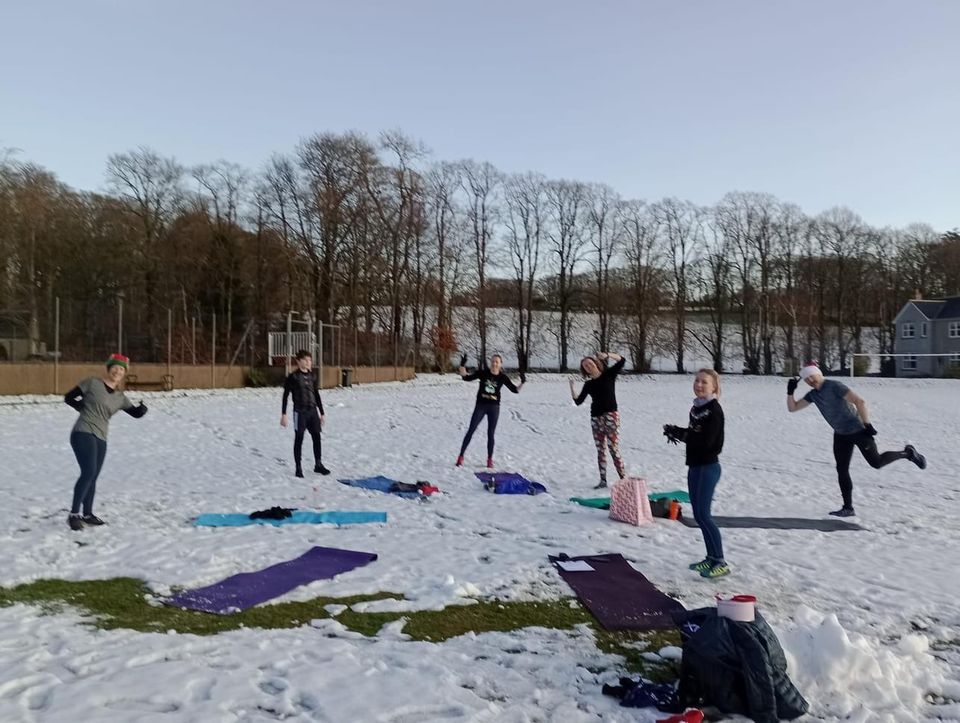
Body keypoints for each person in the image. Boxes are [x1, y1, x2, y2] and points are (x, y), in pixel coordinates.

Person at [786, 360, 926, 517]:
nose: (810, 381)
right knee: (842, 469)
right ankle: (848, 508)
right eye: (807, 379)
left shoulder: (834, 386)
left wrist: (867, 424)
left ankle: (908, 453)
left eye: (812, 377)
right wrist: (790, 392)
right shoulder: (813, 395)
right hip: (840, 435)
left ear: (818, 374)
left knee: (876, 462)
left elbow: (860, 401)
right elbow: (793, 408)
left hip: (858, 431)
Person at [63, 353, 148, 531]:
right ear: (109, 369)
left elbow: (134, 413)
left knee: (93, 475)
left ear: (124, 373)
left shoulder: (120, 397)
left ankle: (88, 513)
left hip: (101, 436)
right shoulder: (92, 383)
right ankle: (74, 514)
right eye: (115, 367)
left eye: (121, 369)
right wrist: (82, 408)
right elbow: (69, 397)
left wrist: (141, 410)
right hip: (83, 431)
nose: (118, 371)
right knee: (88, 472)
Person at [663, 368, 728, 579]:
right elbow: (695, 434)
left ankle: (720, 561)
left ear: (714, 387)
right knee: (699, 515)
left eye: (704, 383)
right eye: (697, 381)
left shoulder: (714, 410)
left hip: (708, 467)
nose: (699, 385)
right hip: (695, 466)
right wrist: (678, 431)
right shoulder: (696, 408)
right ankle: (710, 557)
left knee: (704, 516)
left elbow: (709, 443)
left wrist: (683, 434)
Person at [569, 351, 627, 489]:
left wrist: (607, 355)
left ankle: (623, 478)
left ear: (596, 363)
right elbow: (578, 401)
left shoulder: (609, 374)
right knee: (600, 449)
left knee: (613, 447)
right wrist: (572, 388)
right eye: (585, 366)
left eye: (590, 363)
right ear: (585, 370)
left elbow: (622, 360)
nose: (588, 366)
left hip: (611, 415)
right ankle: (603, 480)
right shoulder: (588, 384)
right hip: (595, 417)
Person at [456, 353, 524, 468]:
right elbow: (465, 378)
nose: (494, 364)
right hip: (481, 406)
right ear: (490, 363)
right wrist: (462, 365)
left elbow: (515, 390)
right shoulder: (483, 373)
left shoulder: (502, 377)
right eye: (493, 361)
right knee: (471, 430)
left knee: (490, 434)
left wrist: (522, 382)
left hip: (494, 408)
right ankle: (460, 457)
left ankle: (489, 460)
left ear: (500, 364)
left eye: (497, 362)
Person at [281, 350, 329, 478]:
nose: (309, 362)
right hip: (300, 412)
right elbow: (285, 396)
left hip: (312, 411)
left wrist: (322, 413)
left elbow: (316, 394)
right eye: (306, 360)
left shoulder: (313, 376)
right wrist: (284, 414)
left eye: (310, 360)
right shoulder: (293, 377)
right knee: (299, 438)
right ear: (298, 361)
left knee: (316, 437)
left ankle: (318, 464)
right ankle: (298, 467)